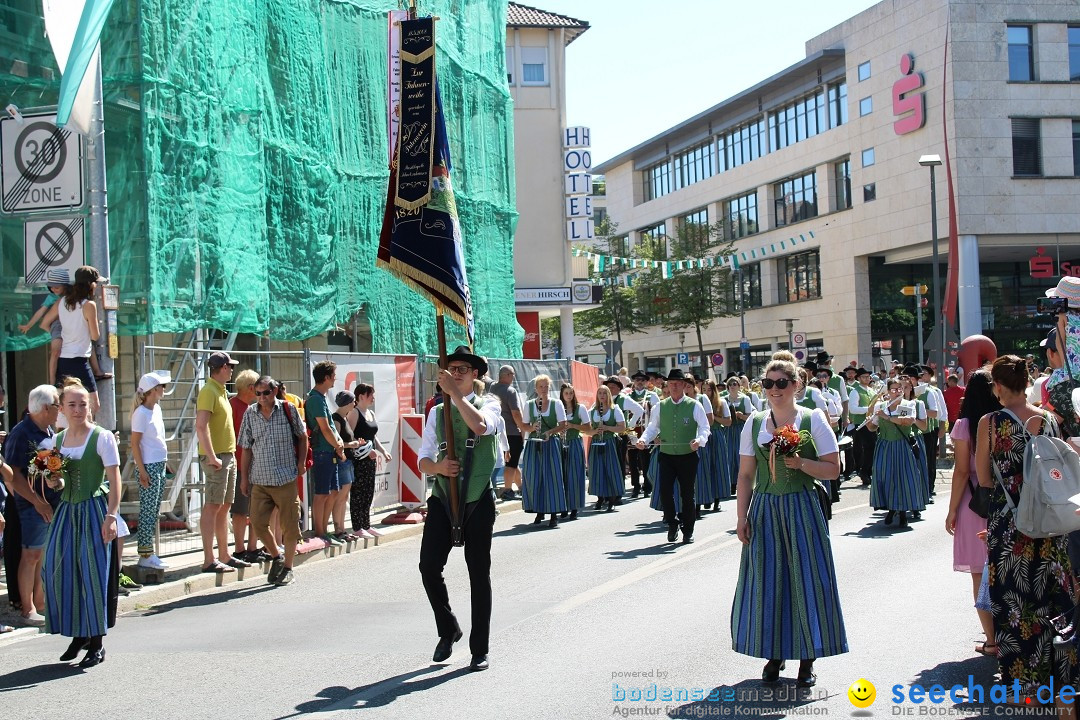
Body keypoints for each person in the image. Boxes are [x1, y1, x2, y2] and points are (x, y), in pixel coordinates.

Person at [731, 356, 846, 687]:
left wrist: (800, 464)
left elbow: (833, 469)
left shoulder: (813, 418)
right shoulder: (754, 422)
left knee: (806, 578)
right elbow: (745, 474)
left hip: (802, 507)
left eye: (782, 383)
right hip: (766, 508)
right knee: (769, 579)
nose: (774, 390)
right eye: (768, 384)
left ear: (797, 385)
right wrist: (742, 516)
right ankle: (774, 653)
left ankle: (808, 659)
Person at [976, 355, 1078, 705]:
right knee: (1055, 597)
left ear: (1000, 386)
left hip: (1011, 525)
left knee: (1015, 605)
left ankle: (1024, 685)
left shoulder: (990, 423)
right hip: (1052, 522)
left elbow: (985, 479)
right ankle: (1062, 679)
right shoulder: (1049, 419)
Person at [417, 346, 500, 672]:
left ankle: (479, 649)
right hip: (442, 499)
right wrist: (439, 468)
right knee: (428, 567)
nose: (457, 373)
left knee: (478, 574)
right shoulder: (437, 413)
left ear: (475, 374)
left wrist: (455, 395)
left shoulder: (490, 404)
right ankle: (448, 628)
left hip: (477, 498)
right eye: (451, 369)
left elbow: (480, 427)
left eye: (463, 368)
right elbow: (424, 461)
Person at [39, 378, 121, 667]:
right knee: (55, 570)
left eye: (82, 404)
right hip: (67, 511)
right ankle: (78, 633)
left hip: (94, 509)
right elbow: (58, 484)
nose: (77, 409)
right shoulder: (56, 441)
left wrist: (111, 517)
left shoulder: (101, 437)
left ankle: (96, 642)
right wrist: (53, 480)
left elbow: (114, 479)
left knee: (92, 573)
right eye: (71, 404)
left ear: (89, 407)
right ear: (61, 408)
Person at [237, 375, 309, 587]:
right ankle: (276, 557)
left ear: (274, 391)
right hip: (260, 479)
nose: (262, 397)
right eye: (258, 393)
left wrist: (301, 463)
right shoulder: (251, 414)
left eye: (266, 393)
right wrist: (244, 478)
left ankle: (288, 568)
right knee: (258, 524)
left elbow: (303, 436)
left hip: (285, 478)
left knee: (290, 527)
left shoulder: (288, 410)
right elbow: (246, 448)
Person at [945, 369, 996, 656]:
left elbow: (962, 470)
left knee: (979, 571)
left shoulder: (966, 425)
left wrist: (952, 509)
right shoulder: (1004, 420)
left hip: (975, 500)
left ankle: (991, 639)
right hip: (1005, 497)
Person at [3, 385, 61, 625]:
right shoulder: (22, 432)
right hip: (32, 505)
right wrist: (37, 502)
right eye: (58, 404)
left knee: (41, 553)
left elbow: (49, 466)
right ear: (46, 407)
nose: (60, 409)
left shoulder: (45, 429)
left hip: (47, 501)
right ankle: (27, 608)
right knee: (31, 554)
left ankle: (40, 602)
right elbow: (13, 475)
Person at [636, 368, 709, 544]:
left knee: (687, 493)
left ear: (684, 385)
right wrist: (643, 440)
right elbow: (653, 427)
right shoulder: (660, 406)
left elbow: (705, 427)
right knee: (665, 492)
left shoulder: (694, 405)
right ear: (667, 386)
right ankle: (672, 522)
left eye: (677, 384)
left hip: (687, 456)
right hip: (667, 455)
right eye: (671, 384)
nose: (674, 387)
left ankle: (688, 528)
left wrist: (699, 440)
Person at [195, 351, 249, 573]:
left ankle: (224, 555)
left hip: (226, 454)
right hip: (217, 456)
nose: (232, 370)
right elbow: (201, 426)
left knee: (224, 506)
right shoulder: (208, 391)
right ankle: (209, 559)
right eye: (230, 366)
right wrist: (211, 456)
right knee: (213, 506)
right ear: (223, 368)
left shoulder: (220, 391)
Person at [39, 265, 105, 417]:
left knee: (65, 408)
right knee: (93, 406)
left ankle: (72, 436)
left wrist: (62, 334)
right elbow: (95, 336)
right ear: (91, 285)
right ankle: (81, 435)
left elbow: (44, 323)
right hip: (80, 361)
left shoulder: (62, 302)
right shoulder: (89, 305)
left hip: (64, 361)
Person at [868, 378, 925, 527]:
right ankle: (891, 508)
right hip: (885, 446)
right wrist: (871, 419)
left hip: (902, 445)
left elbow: (906, 421)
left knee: (903, 477)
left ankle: (902, 512)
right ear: (888, 391)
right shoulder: (881, 406)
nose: (897, 392)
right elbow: (872, 428)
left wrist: (886, 416)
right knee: (885, 476)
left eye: (899, 389)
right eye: (893, 390)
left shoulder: (908, 405)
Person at [130, 370, 172, 570]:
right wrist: (142, 470)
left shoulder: (156, 409)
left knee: (153, 511)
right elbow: (135, 443)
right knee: (148, 511)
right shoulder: (141, 413)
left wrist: (166, 460)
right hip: (148, 465)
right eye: (161, 387)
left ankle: (149, 553)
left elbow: (158, 439)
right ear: (154, 390)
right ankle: (145, 554)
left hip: (158, 463)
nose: (164, 390)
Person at [306, 361, 347, 546]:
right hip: (322, 452)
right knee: (321, 493)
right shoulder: (315, 398)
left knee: (333, 491)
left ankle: (325, 530)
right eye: (333, 376)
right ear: (326, 377)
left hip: (329, 451)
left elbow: (330, 427)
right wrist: (338, 446)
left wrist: (338, 445)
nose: (335, 379)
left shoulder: (320, 397)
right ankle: (319, 532)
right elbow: (324, 428)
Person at [520, 375, 567, 527]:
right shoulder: (529, 405)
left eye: (546, 386)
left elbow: (563, 424)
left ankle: (553, 514)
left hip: (550, 443)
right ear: (536, 389)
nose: (544, 389)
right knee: (534, 477)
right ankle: (539, 510)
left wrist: (550, 431)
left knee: (552, 477)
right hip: (534, 444)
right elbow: (524, 426)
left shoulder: (556, 403)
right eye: (541, 386)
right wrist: (532, 428)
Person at [348, 383, 391, 538]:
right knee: (358, 492)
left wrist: (383, 451)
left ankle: (366, 524)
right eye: (370, 394)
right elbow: (349, 436)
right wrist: (365, 449)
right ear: (361, 396)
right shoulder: (354, 413)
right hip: (359, 460)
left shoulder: (370, 413)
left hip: (370, 461)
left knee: (368, 492)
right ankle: (357, 526)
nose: (373, 397)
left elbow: (373, 436)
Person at [228, 369, 263, 562]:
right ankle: (240, 549)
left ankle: (253, 548)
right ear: (251, 388)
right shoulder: (233, 406)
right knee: (240, 510)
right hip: (241, 466)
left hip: (255, 466)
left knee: (256, 509)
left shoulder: (252, 408)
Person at [489, 365, 525, 501]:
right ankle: (508, 489)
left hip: (496, 431)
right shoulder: (510, 391)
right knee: (511, 462)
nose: (514, 377)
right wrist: (522, 428)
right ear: (508, 375)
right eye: (513, 374)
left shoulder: (492, 389)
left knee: (513, 462)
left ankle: (521, 487)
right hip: (511, 431)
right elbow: (515, 413)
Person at [329, 391, 358, 543]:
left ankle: (342, 528)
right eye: (353, 401)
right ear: (347, 402)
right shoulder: (337, 419)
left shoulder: (344, 418)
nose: (355, 404)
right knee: (340, 497)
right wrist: (351, 444)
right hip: (342, 460)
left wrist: (355, 444)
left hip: (347, 460)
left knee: (344, 496)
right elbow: (336, 443)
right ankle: (338, 529)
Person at [626, 371, 659, 498]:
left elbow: (656, 415)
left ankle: (647, 485)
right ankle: (635, 486)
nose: (639, 382)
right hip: (632, 432)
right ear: (634, 382)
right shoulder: (628, 396)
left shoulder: (652, 396)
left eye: (642, 380)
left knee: (646, 460)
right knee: (633, 460)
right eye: (637, 380)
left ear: (646, 382)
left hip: (646, 431)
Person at [559, 383, 588, 520]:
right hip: (561, 443)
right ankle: (563, 506)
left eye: (571, 393)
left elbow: (587, 427)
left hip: (575, 442)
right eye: (566, 393)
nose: (569, 396)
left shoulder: (580, 408)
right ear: (562, 394)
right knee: (562, 475)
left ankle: (575, 507)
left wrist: (572, 425)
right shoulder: (558, 408)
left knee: (575, 475)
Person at [703, 379, 732, 511]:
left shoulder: (721, 403)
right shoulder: (698, 402)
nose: (706, 393)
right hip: (704, 436)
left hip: (717, 434)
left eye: (709, 390)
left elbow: (728, 422)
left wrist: (714, 417)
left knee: (718, 466)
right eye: (704, 390)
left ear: (714, 391)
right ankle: (706, 497)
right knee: (705, 467)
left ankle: (717, 499)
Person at [847, 367, 879, 486]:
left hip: (873, 422)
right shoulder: (855, 391)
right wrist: (869, 409)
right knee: (867, 447)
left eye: (868, 377)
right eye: (864, 377)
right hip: (862, 424)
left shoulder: (871, 391)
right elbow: (853, 409)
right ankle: (864, 471)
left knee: (873, 447)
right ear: (858, 378)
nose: (867, 379)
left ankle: (868, 470)